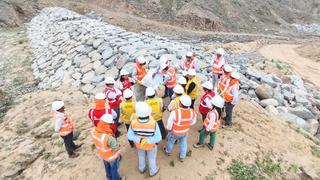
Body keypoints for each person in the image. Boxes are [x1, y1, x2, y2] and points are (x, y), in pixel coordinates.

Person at [127, 102, 161, 177]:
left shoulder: (133, 122)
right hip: (151, 145)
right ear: (148, 113)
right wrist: (148, 141)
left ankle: (141, 169)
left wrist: (139, 140)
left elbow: (129, 135)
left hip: (139, 145)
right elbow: (158, 137)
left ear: (137, 114)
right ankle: (153, 171)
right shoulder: (153, 123)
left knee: (141, 156)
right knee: (151, 158)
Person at [163, 95, 197, 162]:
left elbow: (170, 123)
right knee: (183, 143)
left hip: (175, 132)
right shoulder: (192, 112)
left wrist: (169, 129)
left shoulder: (175, 112)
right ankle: (182, 156)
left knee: (170, 141)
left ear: (180, 103)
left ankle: (168, 151)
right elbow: (193, 122)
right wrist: (186, 125)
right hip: (185, 131)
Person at [92, 114, 124, 180]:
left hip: (103, 155)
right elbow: (115, 147)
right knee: (114, 169)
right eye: (109, 124)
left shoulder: (94, 131)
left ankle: (109, 177)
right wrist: (119, 146)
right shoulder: (108, 137)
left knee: (107, 167)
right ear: (106, 124)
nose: (110, 125)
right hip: (111, 157)